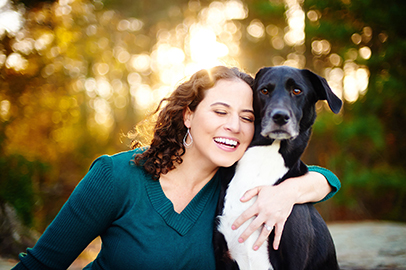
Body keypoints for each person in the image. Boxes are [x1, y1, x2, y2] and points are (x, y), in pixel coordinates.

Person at [12, 66, 340, 270]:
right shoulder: (117, 176)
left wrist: (288, 192)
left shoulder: (235, 186)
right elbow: (41, 265)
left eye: (247, 117)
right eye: (220, 111)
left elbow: (326, 178)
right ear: (188, 115)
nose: (234, 127)